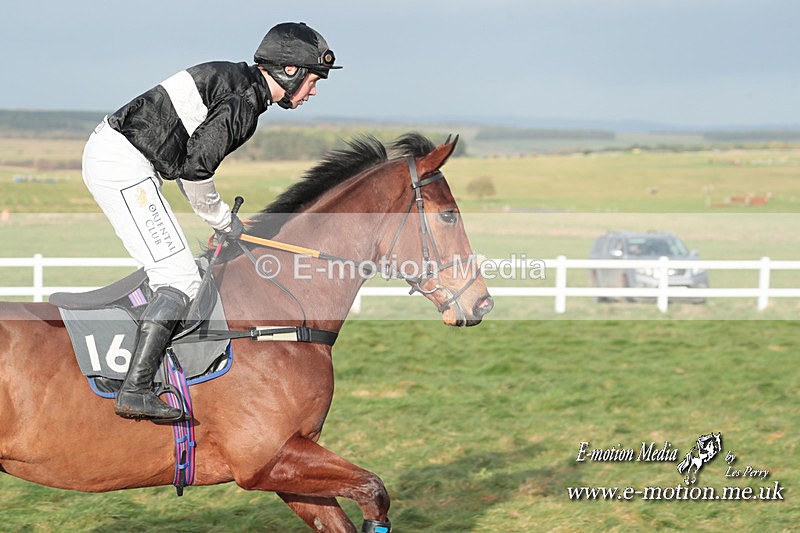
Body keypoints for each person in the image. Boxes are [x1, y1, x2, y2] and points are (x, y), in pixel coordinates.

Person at [81, 22, 341, 420]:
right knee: (179, 277)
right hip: (122, 166)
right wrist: (225, 221)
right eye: (313, 79)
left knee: (175, 271)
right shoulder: (244, 103)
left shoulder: (239, 84)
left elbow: (190, 167)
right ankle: (135, 389)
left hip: (122, 159)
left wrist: (221, 219)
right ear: (289, 72)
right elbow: (195, 173)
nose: (314, 90)